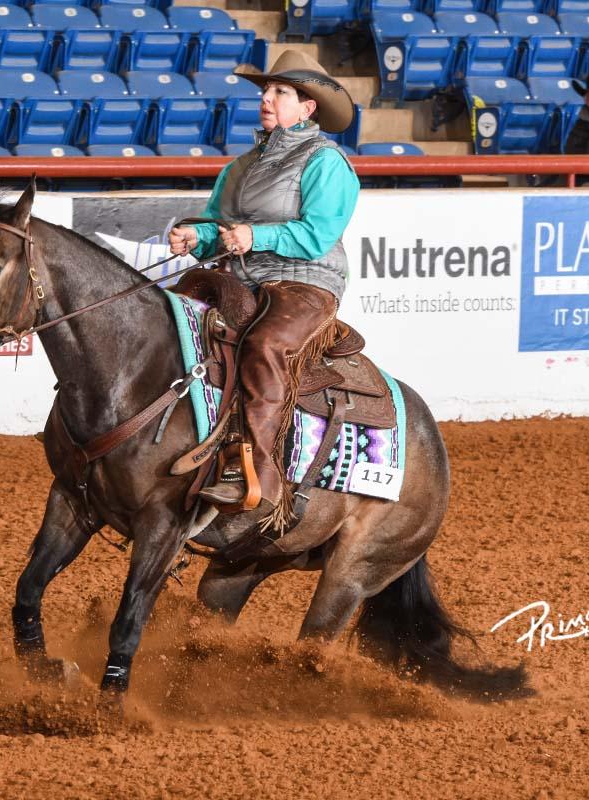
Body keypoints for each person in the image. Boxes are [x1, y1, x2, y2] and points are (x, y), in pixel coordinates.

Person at [168, 50, 359, 533]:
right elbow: (217, 226)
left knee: (265, 344)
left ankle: (261, 476)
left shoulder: (326, 162)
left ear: (307, 108)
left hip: (307, 281)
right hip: (243, 276)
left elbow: (316, 235)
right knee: (169, 319)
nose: (267, 100)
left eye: (280, 93)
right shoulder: (241, 166)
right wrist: (197, 237)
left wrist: (257, 237)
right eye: (266, 92)